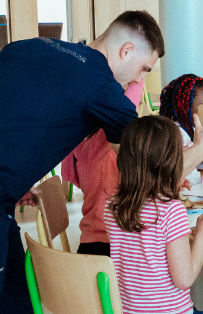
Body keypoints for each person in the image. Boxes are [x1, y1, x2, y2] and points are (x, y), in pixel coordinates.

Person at [0, 11, 203, 313]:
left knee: (12, 295)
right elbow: (146, 173)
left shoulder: (31, 45)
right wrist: (201, 148)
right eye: (144, 68)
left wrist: (9, 173)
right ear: (126, 50)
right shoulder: (103, 89)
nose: (138, 80)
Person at [104, 116, 203, 314]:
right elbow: (184, 279)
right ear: (170, 163)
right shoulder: (172, 211)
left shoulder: (112, 207)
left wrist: (167, 187)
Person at [60, 78, 146, 257]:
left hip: (91, 242)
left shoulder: (79, 145)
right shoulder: (100, 143)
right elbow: (126, 110)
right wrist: (138, 80)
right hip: (107, 244)